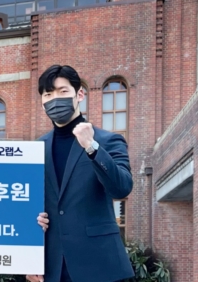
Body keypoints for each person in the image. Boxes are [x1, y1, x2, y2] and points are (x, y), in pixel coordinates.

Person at [27, 65, 134, 282]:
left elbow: (121, 188)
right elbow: (28, 203)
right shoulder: (36, 148)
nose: (55, 99)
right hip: (52, 267)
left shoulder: (107, 141)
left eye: (63, 91)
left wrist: (91, 147)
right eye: (48, 94)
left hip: (99, 265)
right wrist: (30, 259)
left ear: (80, 95)